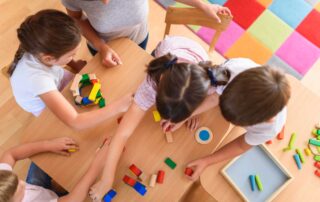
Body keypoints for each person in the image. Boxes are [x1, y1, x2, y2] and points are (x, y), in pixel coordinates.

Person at [88, 35, 229, 200]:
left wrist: (190, 113)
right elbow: (122, 133)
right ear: (157, 90)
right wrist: (107, 179)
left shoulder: (210, 83)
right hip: (169, 51)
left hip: (196, 64)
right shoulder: (150, 84)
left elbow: (213, 99)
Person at [9, 9, 132, 130]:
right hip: (46, 108)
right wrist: (118, 107)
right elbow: (75, 122)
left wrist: (74, 64)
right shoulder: (37, 80)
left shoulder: (38, 45)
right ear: (48, 58)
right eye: (71, 55)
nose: (74, 56)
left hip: (56, 80)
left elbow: (57, 59)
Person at [61, 0, 231, 67]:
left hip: (139, 36)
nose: (105, 2)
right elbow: (75, 19)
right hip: (102, 45)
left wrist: (204, 6)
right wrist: (101, 46)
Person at [0, 136, 111, 202]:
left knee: (41, 159)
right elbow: (73, 199)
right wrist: (98, 164)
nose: (23, 183)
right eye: (20, 189)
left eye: (18, 180)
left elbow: (10, 154)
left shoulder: (2, 179)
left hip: (40, 191)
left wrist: (48, 145)